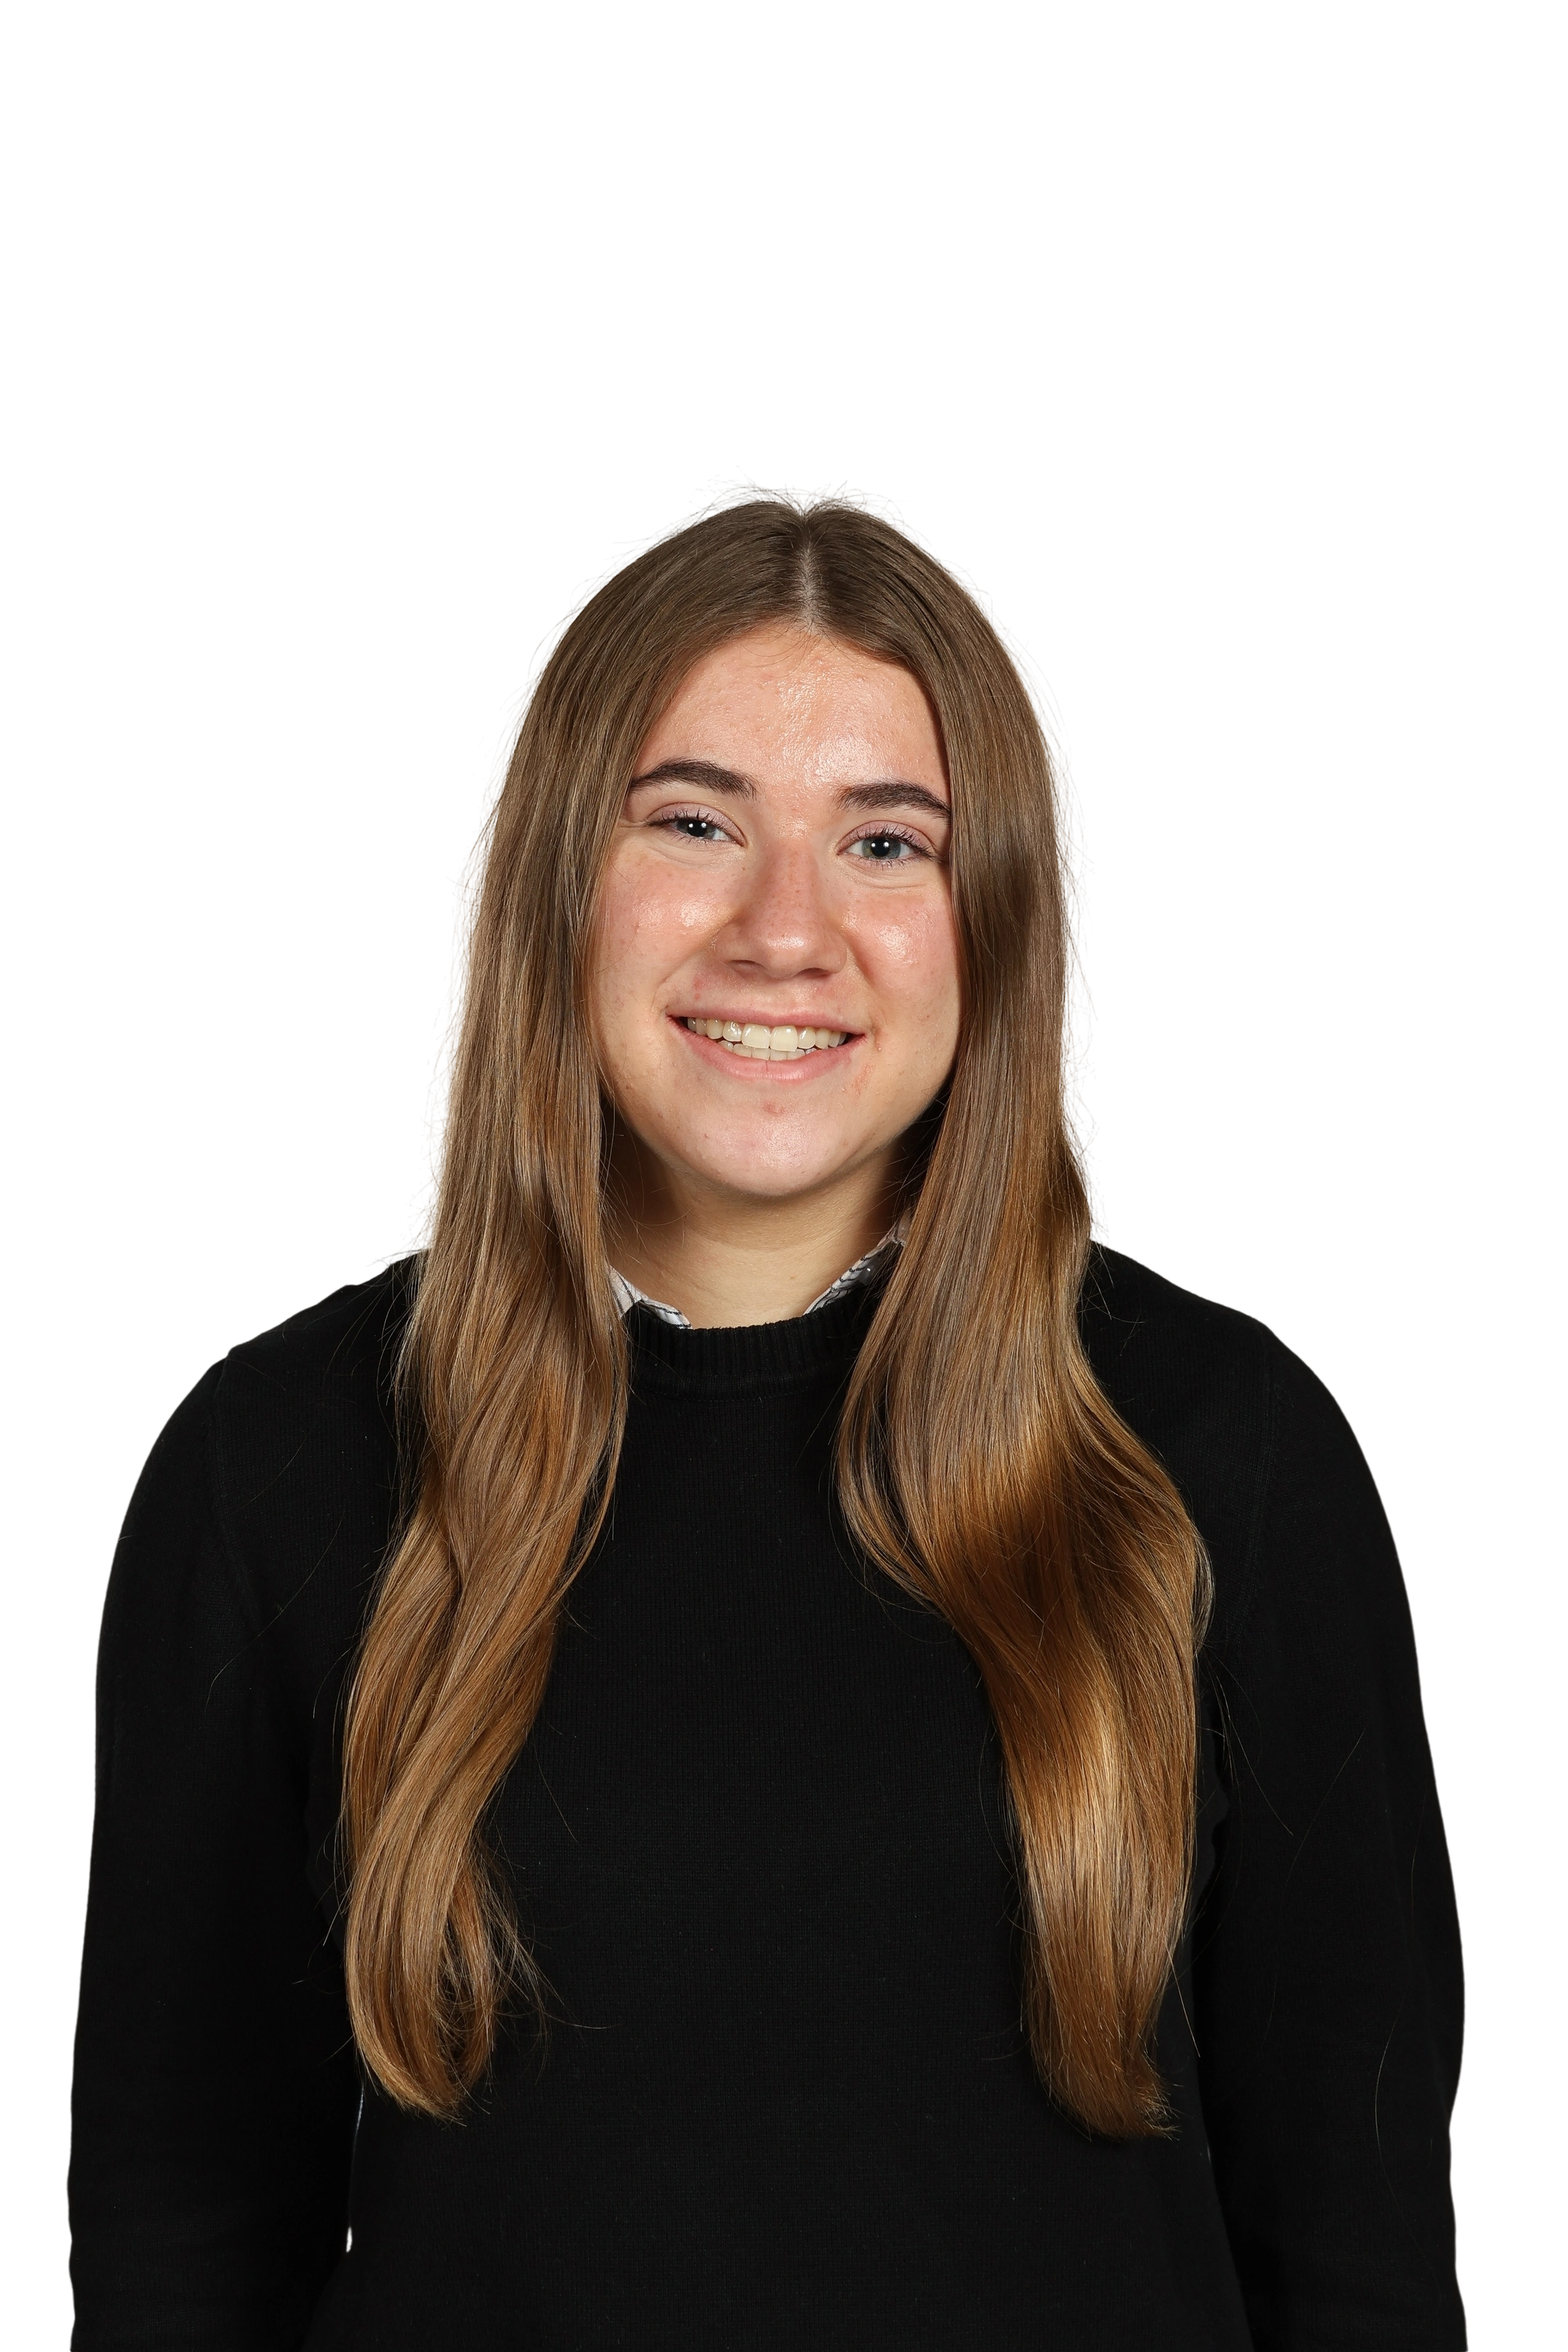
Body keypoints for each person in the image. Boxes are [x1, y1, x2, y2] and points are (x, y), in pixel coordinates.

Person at [67, 470, 1467, 2349]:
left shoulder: (1226, 1457)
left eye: (888, 842)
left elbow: (1361, 2256)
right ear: (558, 885)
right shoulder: (276, 1467)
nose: (783, 929)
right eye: (694, 822)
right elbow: (179, 2239)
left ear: (1000, 918)